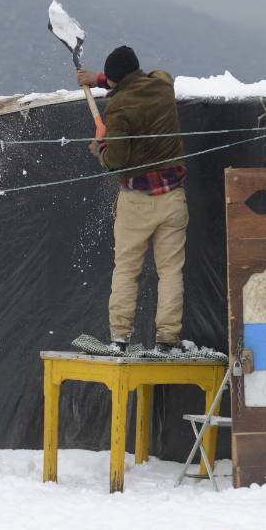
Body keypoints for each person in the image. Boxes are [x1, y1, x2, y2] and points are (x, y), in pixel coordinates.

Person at [77, 46, 188, 354]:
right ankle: (168, 339)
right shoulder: (163, 85)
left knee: (127, 269)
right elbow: (150, 76)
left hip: (137, 201)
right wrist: (100, 79)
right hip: (174, 198)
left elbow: (117, 159)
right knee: (171, 271)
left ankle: (120, 339)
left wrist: (100, 149)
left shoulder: (119, 107)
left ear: (115, 81)